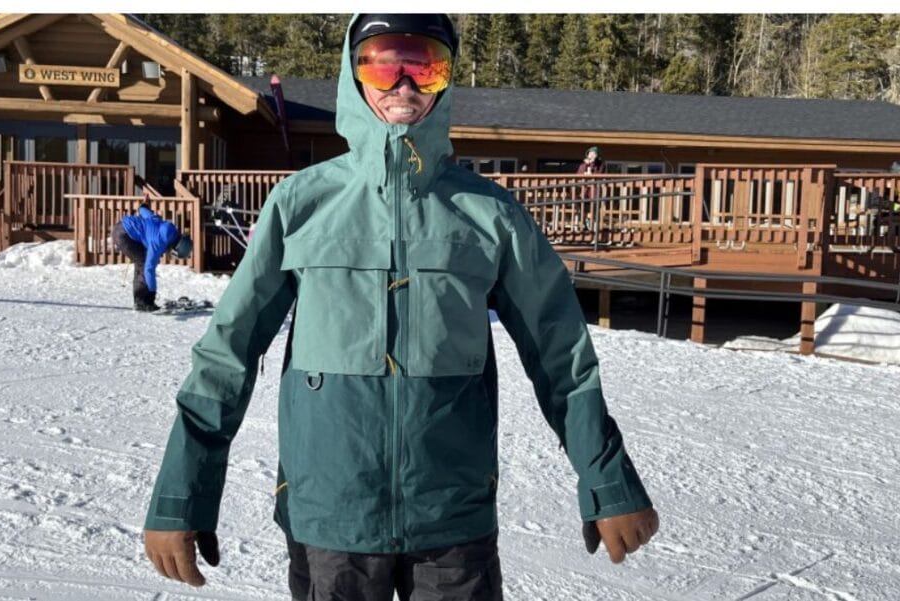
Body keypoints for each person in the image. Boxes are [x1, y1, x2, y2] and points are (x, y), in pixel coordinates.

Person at [143, 13, 658, 600]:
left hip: (452, 520)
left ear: (446, 81)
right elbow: (225, 355)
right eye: (383, 62)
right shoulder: (302, 204)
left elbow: (562, 357)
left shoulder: (489, 215)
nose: (404, 84)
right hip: (332, 514)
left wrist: (608, 483)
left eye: (425, 65)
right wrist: (180, 496)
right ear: (352, 73)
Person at [110, 203, 192, 312]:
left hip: (122, 227)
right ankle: (143, 301)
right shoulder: (158, 242)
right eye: (173, 253)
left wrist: (143, 207)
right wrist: (152, 291)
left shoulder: (163, 225)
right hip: (123, 235)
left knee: (141, 261)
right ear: (175, 248)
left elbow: (147, 214)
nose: (169, 254)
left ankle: (140, 300)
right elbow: (149, 268)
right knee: (143, 264)